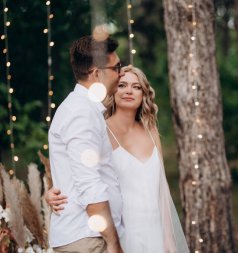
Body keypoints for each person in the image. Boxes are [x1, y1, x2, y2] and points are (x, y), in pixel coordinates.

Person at [47, 65, 189, 253]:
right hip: (122, 231)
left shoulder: (151, 131)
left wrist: (168, 237)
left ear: (144, 94)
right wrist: (52, 193)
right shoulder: (101, 127)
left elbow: (162, 189)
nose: (129, 90)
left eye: (136, 87)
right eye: (122, 85)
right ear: (113, 90)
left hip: (155, 228)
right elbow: (82, 172)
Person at [48, 35, 125, 253]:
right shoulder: (81, 113)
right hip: (89, 239)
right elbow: (89, 183)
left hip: (89, 237)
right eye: (116, 67)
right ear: (96, 73)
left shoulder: (84, 109)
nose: (120, 73)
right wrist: (113, 242)